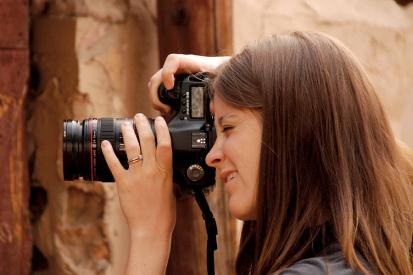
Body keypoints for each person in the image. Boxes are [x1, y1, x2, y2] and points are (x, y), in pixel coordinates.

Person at [101, 31, 413, 275]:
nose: (212, 155)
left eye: (228, 128)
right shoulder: (373, 253)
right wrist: (242, 70)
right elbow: (342, 118)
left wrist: (148, 233)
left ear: (293, 128)